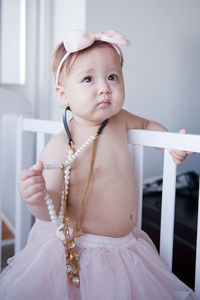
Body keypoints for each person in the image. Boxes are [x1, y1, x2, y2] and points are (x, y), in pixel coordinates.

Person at [0, 29, 196, 300]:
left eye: (112, 76)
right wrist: (36, 197)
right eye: (88, 79)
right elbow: (52, 209)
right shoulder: (59, 146)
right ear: (63, 94)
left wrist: (170, 143)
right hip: (86, 252)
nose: (104, 87)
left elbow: (148, 126)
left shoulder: (121, 119)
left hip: (129, 246)